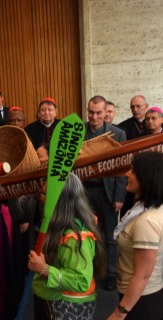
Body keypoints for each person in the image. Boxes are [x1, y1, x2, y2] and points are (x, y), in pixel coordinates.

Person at [28, 173, 106, 319]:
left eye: (43, 193)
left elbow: (81, 280)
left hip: (68, 306)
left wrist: (44, 269)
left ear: (58, 199)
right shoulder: (61, 224)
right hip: (55, 298)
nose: (40, 197)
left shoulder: (75, 238)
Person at [108, 152, 163, 320]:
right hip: (143, 295)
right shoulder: (148, 207)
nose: (127, 174)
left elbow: (143, 275)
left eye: (133, 171)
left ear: (146, 178)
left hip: (141, 301)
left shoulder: (145, 222)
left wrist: (119, 313)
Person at [83, 95, 126, 291]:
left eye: (98, 113)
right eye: (91, 112)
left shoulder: (118, 134)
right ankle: (87, 271)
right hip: (83, 193)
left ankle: (110, 273)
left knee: (110, 237)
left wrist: (119, 197)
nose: (94, 116)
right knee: (85, 234)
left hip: (107, 192)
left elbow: (123, 168)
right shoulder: (78, 133)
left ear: (105, 112)